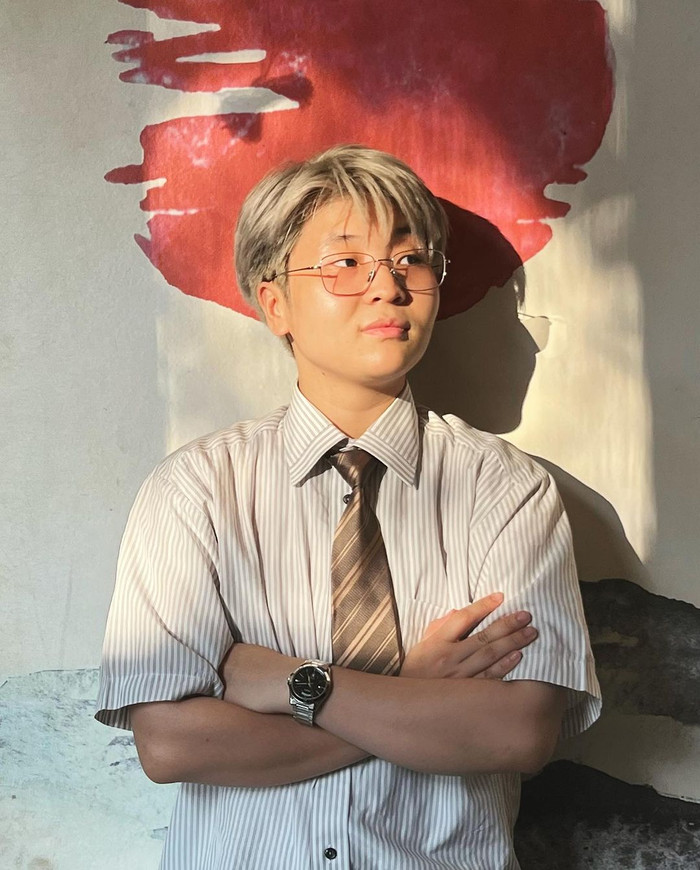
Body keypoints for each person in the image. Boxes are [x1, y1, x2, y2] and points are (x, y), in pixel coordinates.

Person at [96, 144, 601, 869]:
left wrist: (297, 686)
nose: (388, 287)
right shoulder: (197, 489)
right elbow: (172, 744)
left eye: (410, 260)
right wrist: (413, 691)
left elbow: (517, 733)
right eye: (345, 262)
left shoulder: (506, 488)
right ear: (276, 303)